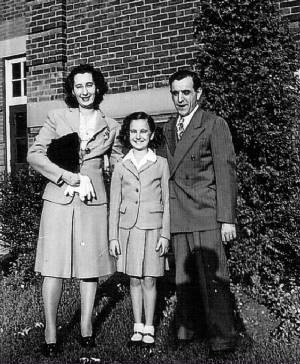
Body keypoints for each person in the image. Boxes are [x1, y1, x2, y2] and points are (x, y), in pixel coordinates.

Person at [27, 63, 122, 356]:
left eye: (90, 85)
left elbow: (119, 169)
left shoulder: (112, 125)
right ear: (72, 90)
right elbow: (34, 154)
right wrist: (67, 177)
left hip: (93, 201)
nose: (85, 91)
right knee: (53, 267)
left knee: (89, 267)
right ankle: (52, 333)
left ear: (98, 87)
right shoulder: (57, 117)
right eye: (79, 86)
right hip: (59, 198)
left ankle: (86, 328)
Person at [161, 69, 238, 355]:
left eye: (186, 92)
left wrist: (227, 218)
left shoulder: (214, 124)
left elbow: (225, 172)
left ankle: (223, 337)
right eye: (175, 93)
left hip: (206, 211)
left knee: (212, 279)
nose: (180, 98)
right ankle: (187, 330)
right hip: (179, 212)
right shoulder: (169, 127)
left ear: (199, 93)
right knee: (183, 277)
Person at [109, 111, 170, 347]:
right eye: (134, 131)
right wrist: (113, 236)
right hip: (129, 230)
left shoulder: (161, 164)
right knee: (133, 278)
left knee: (149, 280)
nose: (138, 135)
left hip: (153, 228)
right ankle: (137, 325)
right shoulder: (121, 166)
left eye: (143, 131)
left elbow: (167, 201)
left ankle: (149, 326)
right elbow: (114, 204)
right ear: (127, 134)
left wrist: (165, 234)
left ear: (151, 134)